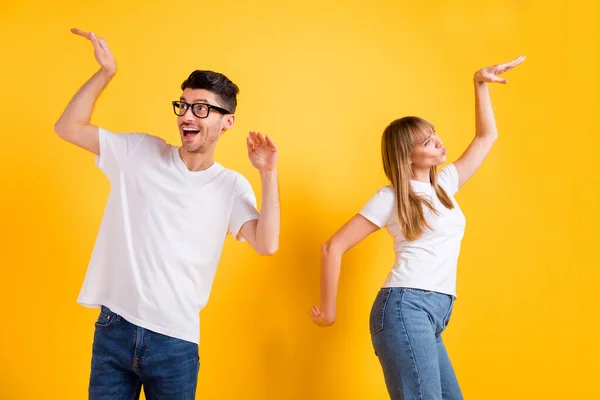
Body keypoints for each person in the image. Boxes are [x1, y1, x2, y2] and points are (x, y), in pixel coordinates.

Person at [54, 28, 280, 400]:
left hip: (176, 342)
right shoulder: (139, 152)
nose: (188, 115)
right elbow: (68, 128)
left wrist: (268, 174)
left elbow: (266, 243)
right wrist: (105, 73)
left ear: (227, 121)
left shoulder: (231, 186)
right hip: (115, 327)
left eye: (201, 108)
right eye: (184, 105)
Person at [310, 56, 525, 399]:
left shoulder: (446, 185)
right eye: (426, 141)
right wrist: (329, 310)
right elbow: (332, 246)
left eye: (434, 134)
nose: (438, 142)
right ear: (407, 155)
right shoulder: (392, 196)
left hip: (434, 314)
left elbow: (487, 136)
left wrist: (479, 83)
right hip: (405, 308)